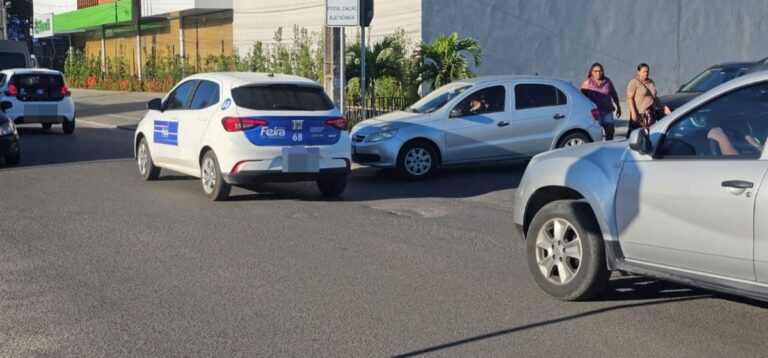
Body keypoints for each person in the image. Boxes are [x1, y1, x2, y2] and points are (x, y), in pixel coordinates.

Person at [626, 63, 671, 138]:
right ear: (638, 72)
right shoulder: (634, 82)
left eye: (647, 71)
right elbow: (630, 98)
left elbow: (654, 97)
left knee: (649, 135)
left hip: (650, 114)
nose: (646, 73)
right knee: (636, 136)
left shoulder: (651, 82)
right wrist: (633, 112)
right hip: (639, 114)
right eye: (643, 72)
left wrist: (664, 107)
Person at [581, 63, 621, 140]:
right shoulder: (587, 83)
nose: (598, 73)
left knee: (610, 131)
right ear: (592, 72)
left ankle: (609, 145)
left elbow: (614, 94)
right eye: (596, 71)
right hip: (595, 113)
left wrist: (618, 106)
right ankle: (598, 146)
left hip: (607, 111)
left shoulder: (607, 81)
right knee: (596, 133)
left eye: (600, 71)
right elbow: (582, 98)